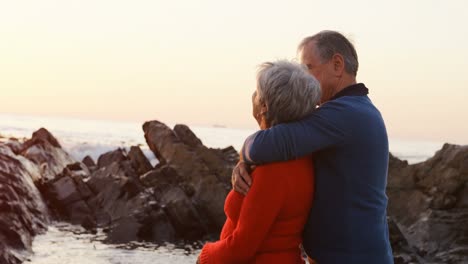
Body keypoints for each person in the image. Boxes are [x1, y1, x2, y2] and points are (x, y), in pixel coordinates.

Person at [233, 30, 394, 264]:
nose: (302, 79)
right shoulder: (354, 110)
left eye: (307, 68)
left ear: (337, 65)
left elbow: (264, 145)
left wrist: (245, 156)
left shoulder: (346, 114)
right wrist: (244, 162)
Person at [198, 60, 322, 263]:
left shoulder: (274, 170)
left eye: (256, 92)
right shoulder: (294, 156)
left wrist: (204, 256)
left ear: (264, 106)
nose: (252, 96)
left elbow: (241, 247)